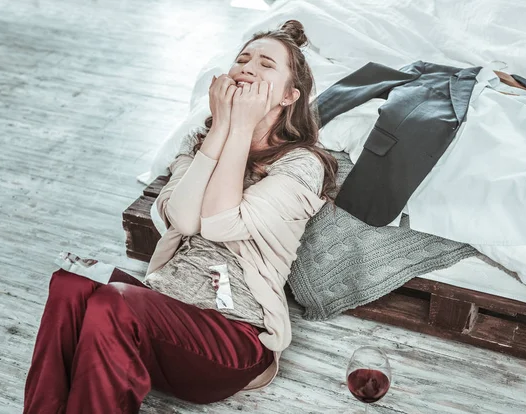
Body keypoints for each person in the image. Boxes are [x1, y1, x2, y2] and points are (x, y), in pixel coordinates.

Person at [23, 20, 338, 414]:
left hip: (235, 337)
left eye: (265, 64)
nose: (247, 67)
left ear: (290, 96)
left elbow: (221, 222)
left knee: (114, 303)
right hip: (166, 311)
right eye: (242, 58)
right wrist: (222, 127)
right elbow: (184, 221)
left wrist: (240, 126)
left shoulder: (301, 164)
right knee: (71, 283)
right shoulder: (200, 142)